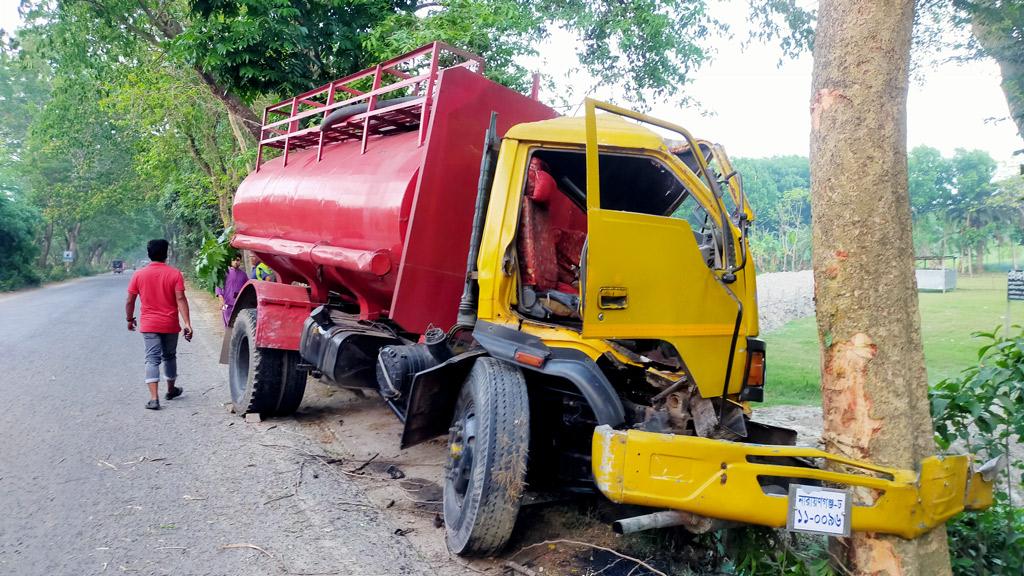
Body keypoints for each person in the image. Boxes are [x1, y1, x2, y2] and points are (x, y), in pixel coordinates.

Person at [125, 239, 193, 410]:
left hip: (149, 325)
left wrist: (129, 319)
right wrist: (187, 323)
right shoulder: (175, 274)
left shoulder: (139, 275)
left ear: (149, 254)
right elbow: (180, 299)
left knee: (151, 359)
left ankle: (154, 398)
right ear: (166, 254)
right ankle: (171, 390)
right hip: (169, 324)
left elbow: (130, 300)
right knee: (169, 356)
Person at [216, 254, 248, 326]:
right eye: (233, 260)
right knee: (228, 325)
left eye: (238, 260)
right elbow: (218, 286)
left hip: (239, 305)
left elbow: (247, 289)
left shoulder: (243, 275)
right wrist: (221, 298)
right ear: (230, 261)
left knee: (236, 326)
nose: (236, 262)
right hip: (226, 304)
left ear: (240, 261)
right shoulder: (224, 273)